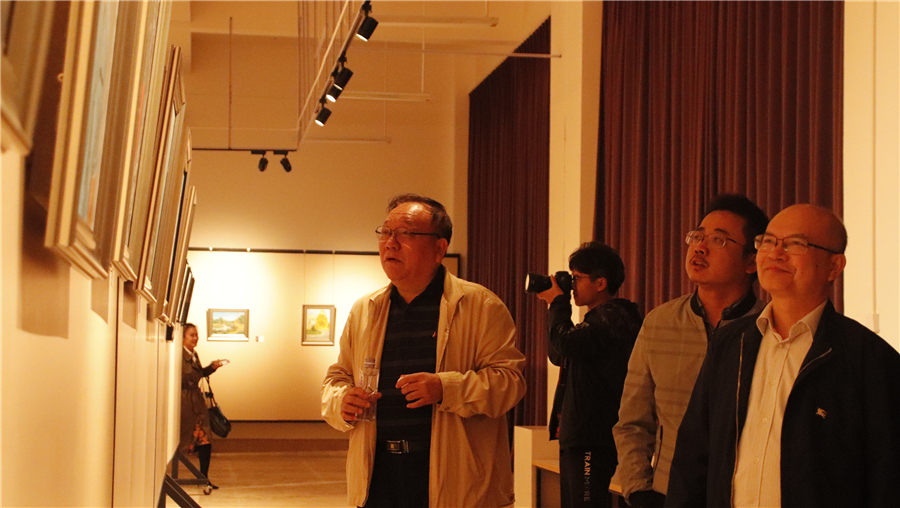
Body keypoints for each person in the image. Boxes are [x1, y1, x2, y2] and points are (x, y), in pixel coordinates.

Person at [666, 204, 900, 508]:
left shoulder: (870, 359)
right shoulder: (731, 343)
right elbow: (692, 458)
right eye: (768, 242)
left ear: (834, 266)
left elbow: (887, 479)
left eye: (795, 244)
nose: (775, 253)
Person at [321, 193, 527, 508]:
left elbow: (509, 383)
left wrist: (445, 388)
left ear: (439, 249)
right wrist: (342, 401)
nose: (390, 243)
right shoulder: (366, 309)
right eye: (385, 232)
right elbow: (338, 377)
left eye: (405, 233)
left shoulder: (481, 305)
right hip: (377, 474)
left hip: (451, 477)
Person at [612, 195, 769, 508]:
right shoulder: (660, 322)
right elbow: (632, 421)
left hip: (748, 495)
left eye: (718, 239)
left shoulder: (770, 327)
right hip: (667, 494)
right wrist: (639, 489)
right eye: (697, 236)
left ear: (752, 261)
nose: (699, 247)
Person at [536, 242, 643, 508]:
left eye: (576, 278)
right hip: (577, 434)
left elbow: (565, 343)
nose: (571, 286)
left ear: (600, 283)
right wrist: (554, 306)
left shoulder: (615, 317)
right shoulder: (594, 322)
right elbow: (558, 354)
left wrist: (558, 303)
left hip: (593, 437)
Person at [180, 323, 226, 494]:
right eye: (191, 335)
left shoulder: (193, 354)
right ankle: (201, 478)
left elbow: (198, 374)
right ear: (182, 337)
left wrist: (211, 368)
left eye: (196, 335)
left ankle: (203, 478)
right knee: (190, 442)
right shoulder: (179, 355)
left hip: (197, 404)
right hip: (186, 404)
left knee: (205, 442)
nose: (195, 338)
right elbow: (188, 377)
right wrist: (201, 372)